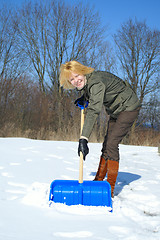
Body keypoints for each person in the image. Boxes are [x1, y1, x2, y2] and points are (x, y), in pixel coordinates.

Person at [59, 60, 140, 197]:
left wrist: (83, 139)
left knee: (112, 143)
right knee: (106, 145)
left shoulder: (95, 82)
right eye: (71, 79)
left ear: (83, 71)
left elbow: (94, 111)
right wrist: (85, 98)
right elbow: (92, 93)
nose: (76, 80)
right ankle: (98, 181)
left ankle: (110, 189)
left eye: (77, 75)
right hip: (116, 111)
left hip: (128, 108)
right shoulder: (89, 83)